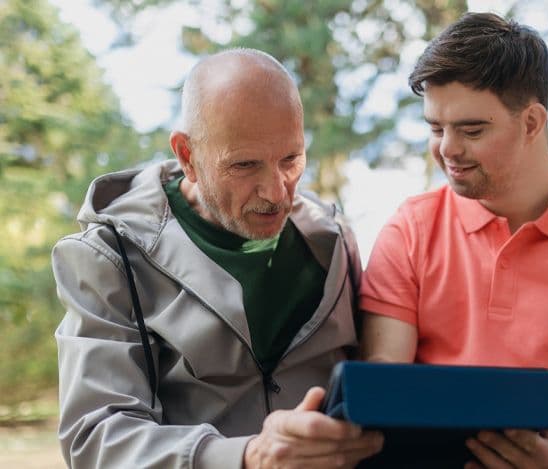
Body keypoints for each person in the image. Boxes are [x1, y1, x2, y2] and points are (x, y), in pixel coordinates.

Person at [53, 48, 383, 468]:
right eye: (245, 165)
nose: (277, 192)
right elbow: (96, 437)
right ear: (187, 156)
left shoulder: (333, 239)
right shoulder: (109, 257)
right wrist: (248, 457)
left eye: (290, 159)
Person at [359, 12, 548, 469]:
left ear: (532, 122)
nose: (447, 149)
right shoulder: (410, 228)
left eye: (471, 130)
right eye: (436, 128)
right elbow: (385, 376)